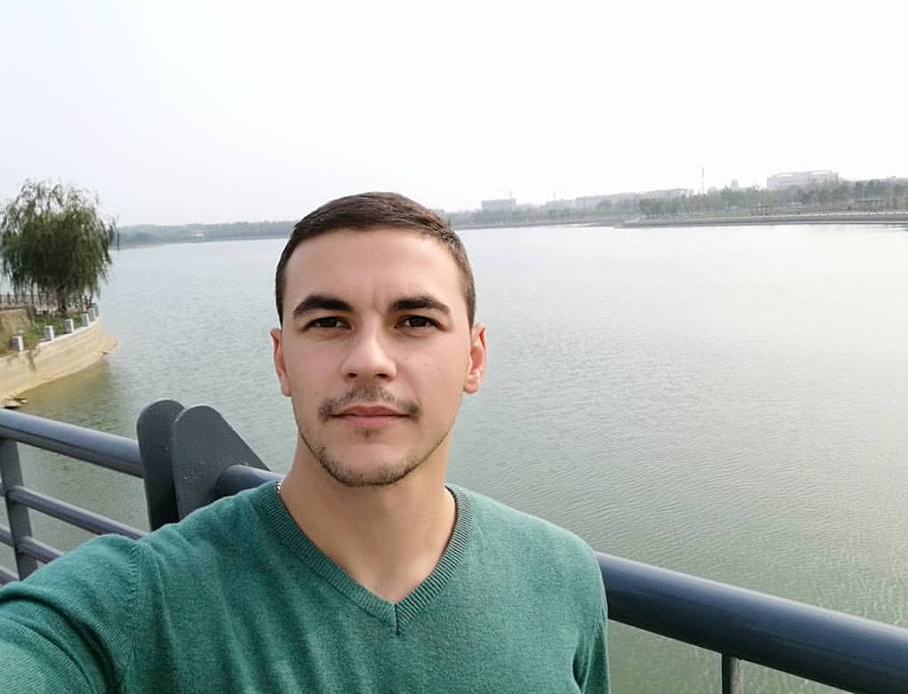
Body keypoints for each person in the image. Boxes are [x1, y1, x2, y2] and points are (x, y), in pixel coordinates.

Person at [0, 192, 609, 693]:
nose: (369, 360)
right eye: (328, 322)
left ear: (473, 359)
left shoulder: (562, 576)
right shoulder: (145, 601)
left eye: (415, 321)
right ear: (282, 360)